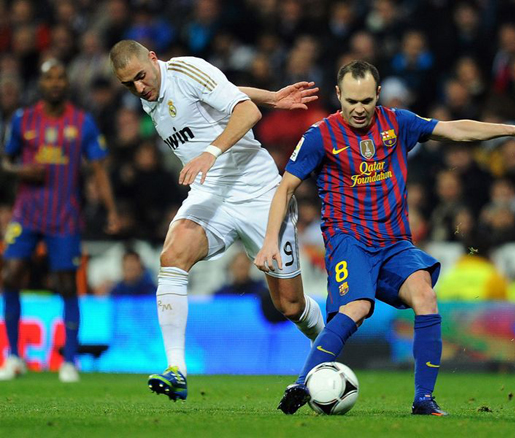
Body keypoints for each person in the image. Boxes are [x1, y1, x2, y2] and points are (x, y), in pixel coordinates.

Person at [255, 60, 515, 416]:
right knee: (357, 307)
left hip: (394, 243)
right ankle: (302, 383)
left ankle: (423, 400)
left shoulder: (398, 123)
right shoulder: (320, 135)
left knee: (425, 295)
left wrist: (512, 131)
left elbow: (454, 130)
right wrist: (270, 240)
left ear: (378, 95)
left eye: (366, 100)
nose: (359, 109)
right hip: (349, 240)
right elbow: (285, 187)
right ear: (338, 95)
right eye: (351, 101)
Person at [108, 40, 325, 401]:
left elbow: (247, 113)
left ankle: (330, 342)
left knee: (289, 306)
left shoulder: (185, 69)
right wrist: (270, 96)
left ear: (152, 56)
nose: (138, 88)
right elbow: (221, 91)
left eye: (141, 77)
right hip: (210, 194)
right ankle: (176, 369)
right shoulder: (150, 95)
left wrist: (211, 152)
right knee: (172, 256)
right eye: (128, 84)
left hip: (258, 191)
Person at [0, 59, 119, 383]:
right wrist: (20, 171)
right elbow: (5, 162)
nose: (55, 82)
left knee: (66, 284)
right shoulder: (23, 120)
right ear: (40, 83)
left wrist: (111, 210)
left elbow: (98, 169)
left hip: (64, 216)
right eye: (49, 77)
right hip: (26, 213)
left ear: (67, 83)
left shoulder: (82, 122)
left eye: (60, 77)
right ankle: (13, 356)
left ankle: (69, 360)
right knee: (10, 275)